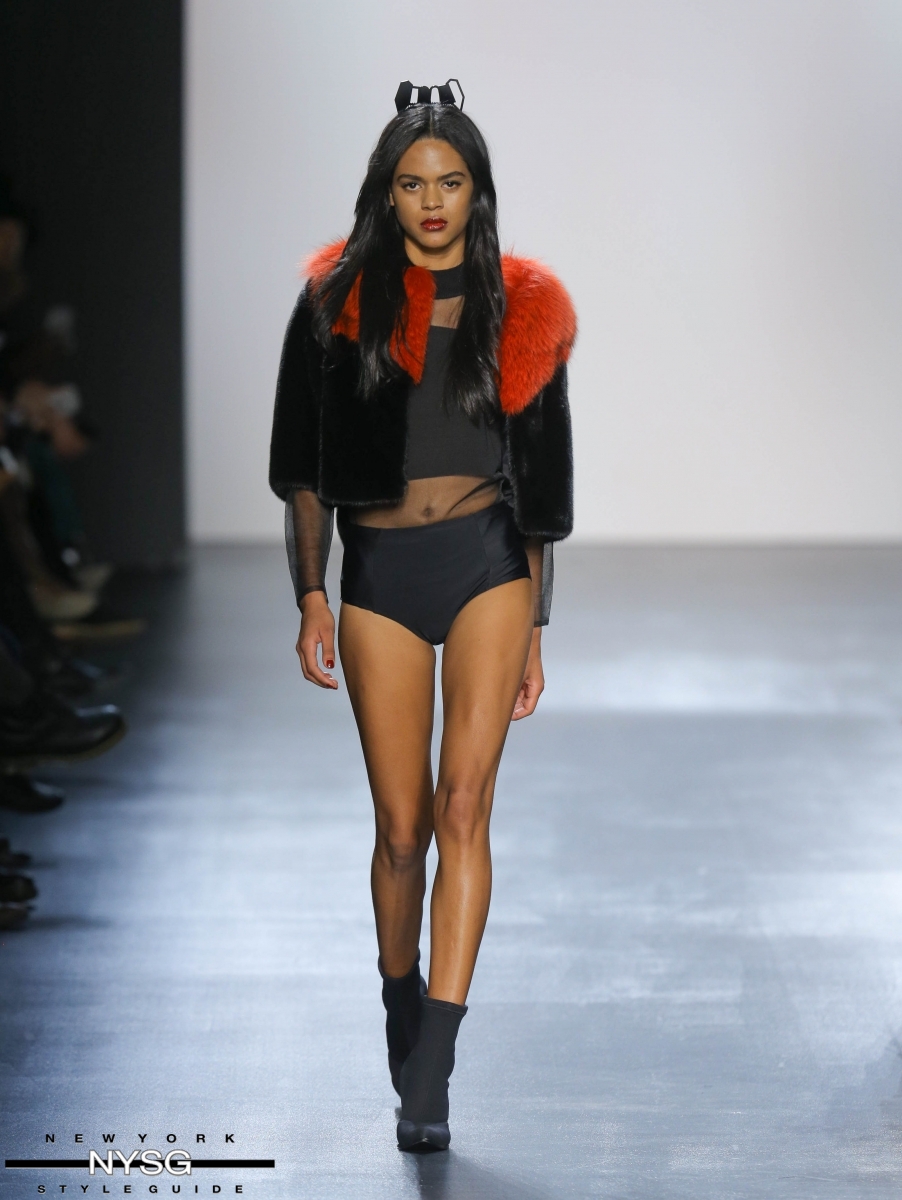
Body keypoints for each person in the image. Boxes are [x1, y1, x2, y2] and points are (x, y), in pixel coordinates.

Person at [269, 81, 575, 1152]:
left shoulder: (525, 306)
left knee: (462, 811)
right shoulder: (334, 304)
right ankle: (400, 997)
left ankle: (434, 1063)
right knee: (400, 833)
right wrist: (310, 593)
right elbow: (303, 470)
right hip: (379, 571)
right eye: (412, 183)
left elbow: (541, 488)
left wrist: (537, 623)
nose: (432, 201)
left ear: (476, 191)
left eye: (450, 182)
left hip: (488, 564)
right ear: (386, 192)